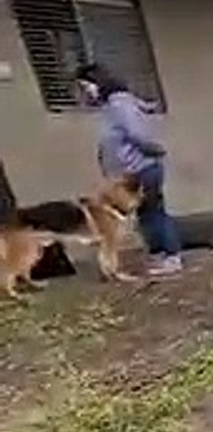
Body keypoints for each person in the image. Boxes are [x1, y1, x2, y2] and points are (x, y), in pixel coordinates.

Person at [75, 63, 183, 277]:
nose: (86, 92)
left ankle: (170, 256)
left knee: (152, 212)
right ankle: (159, 254)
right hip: (126, 171)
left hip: (139, 168)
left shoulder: (119, 104)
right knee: (145, 215)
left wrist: (154, 150)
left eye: (86, 86)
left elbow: (137, 134)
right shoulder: (109, 107)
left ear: (98, 82)